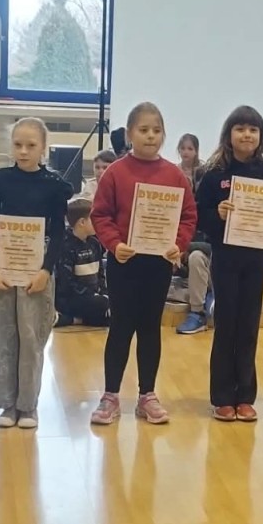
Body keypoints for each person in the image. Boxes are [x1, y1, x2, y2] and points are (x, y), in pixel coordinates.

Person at [90, 102, 197, 425]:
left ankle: (146, 395)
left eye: (157, 130)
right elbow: (100, 214)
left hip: (158, 266)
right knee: (121, 327)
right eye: (143, 130)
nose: (151, 136)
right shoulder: (115, 172)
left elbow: (188, 216)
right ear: (130, 134)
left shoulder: (175, 176)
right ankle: (110, 395)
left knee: (150, 328)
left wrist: (178, 245)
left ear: (164, 135)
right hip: (123, 263)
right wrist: (114, 244)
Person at [0, 117, 73, 429]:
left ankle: (28, 405)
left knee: (32, 338)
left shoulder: (54, 186)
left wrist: (46, 270)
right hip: (3, 271)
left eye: (31, 145)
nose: (23, 151)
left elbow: (58, 233)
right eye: (18, 144)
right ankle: (7, 404)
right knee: (3, 337)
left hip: (37, 273)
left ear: (43, 148)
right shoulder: (0, 181)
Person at [194, 105, 263, 421]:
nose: (247, 134)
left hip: (255, 260)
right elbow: (198, 216)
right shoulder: (214, 175)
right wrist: (216, 214)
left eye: (253, 129)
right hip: (226, 259)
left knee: (248, 326)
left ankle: (245, 396)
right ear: (228, 135)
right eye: (240, 128)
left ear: (261, 136)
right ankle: (222, 397)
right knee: (226, 324)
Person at [55, 198, 109, 327]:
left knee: (115, 309)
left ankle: (76, 320)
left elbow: (100, 274)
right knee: (103, 305)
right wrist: (94, 296)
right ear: (82, 222)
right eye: (94, 219)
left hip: (93, 296)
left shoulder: (95, 244)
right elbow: (67, 283)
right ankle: (68, 317)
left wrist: (104, 293)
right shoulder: (66, 246)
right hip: (72, 298)